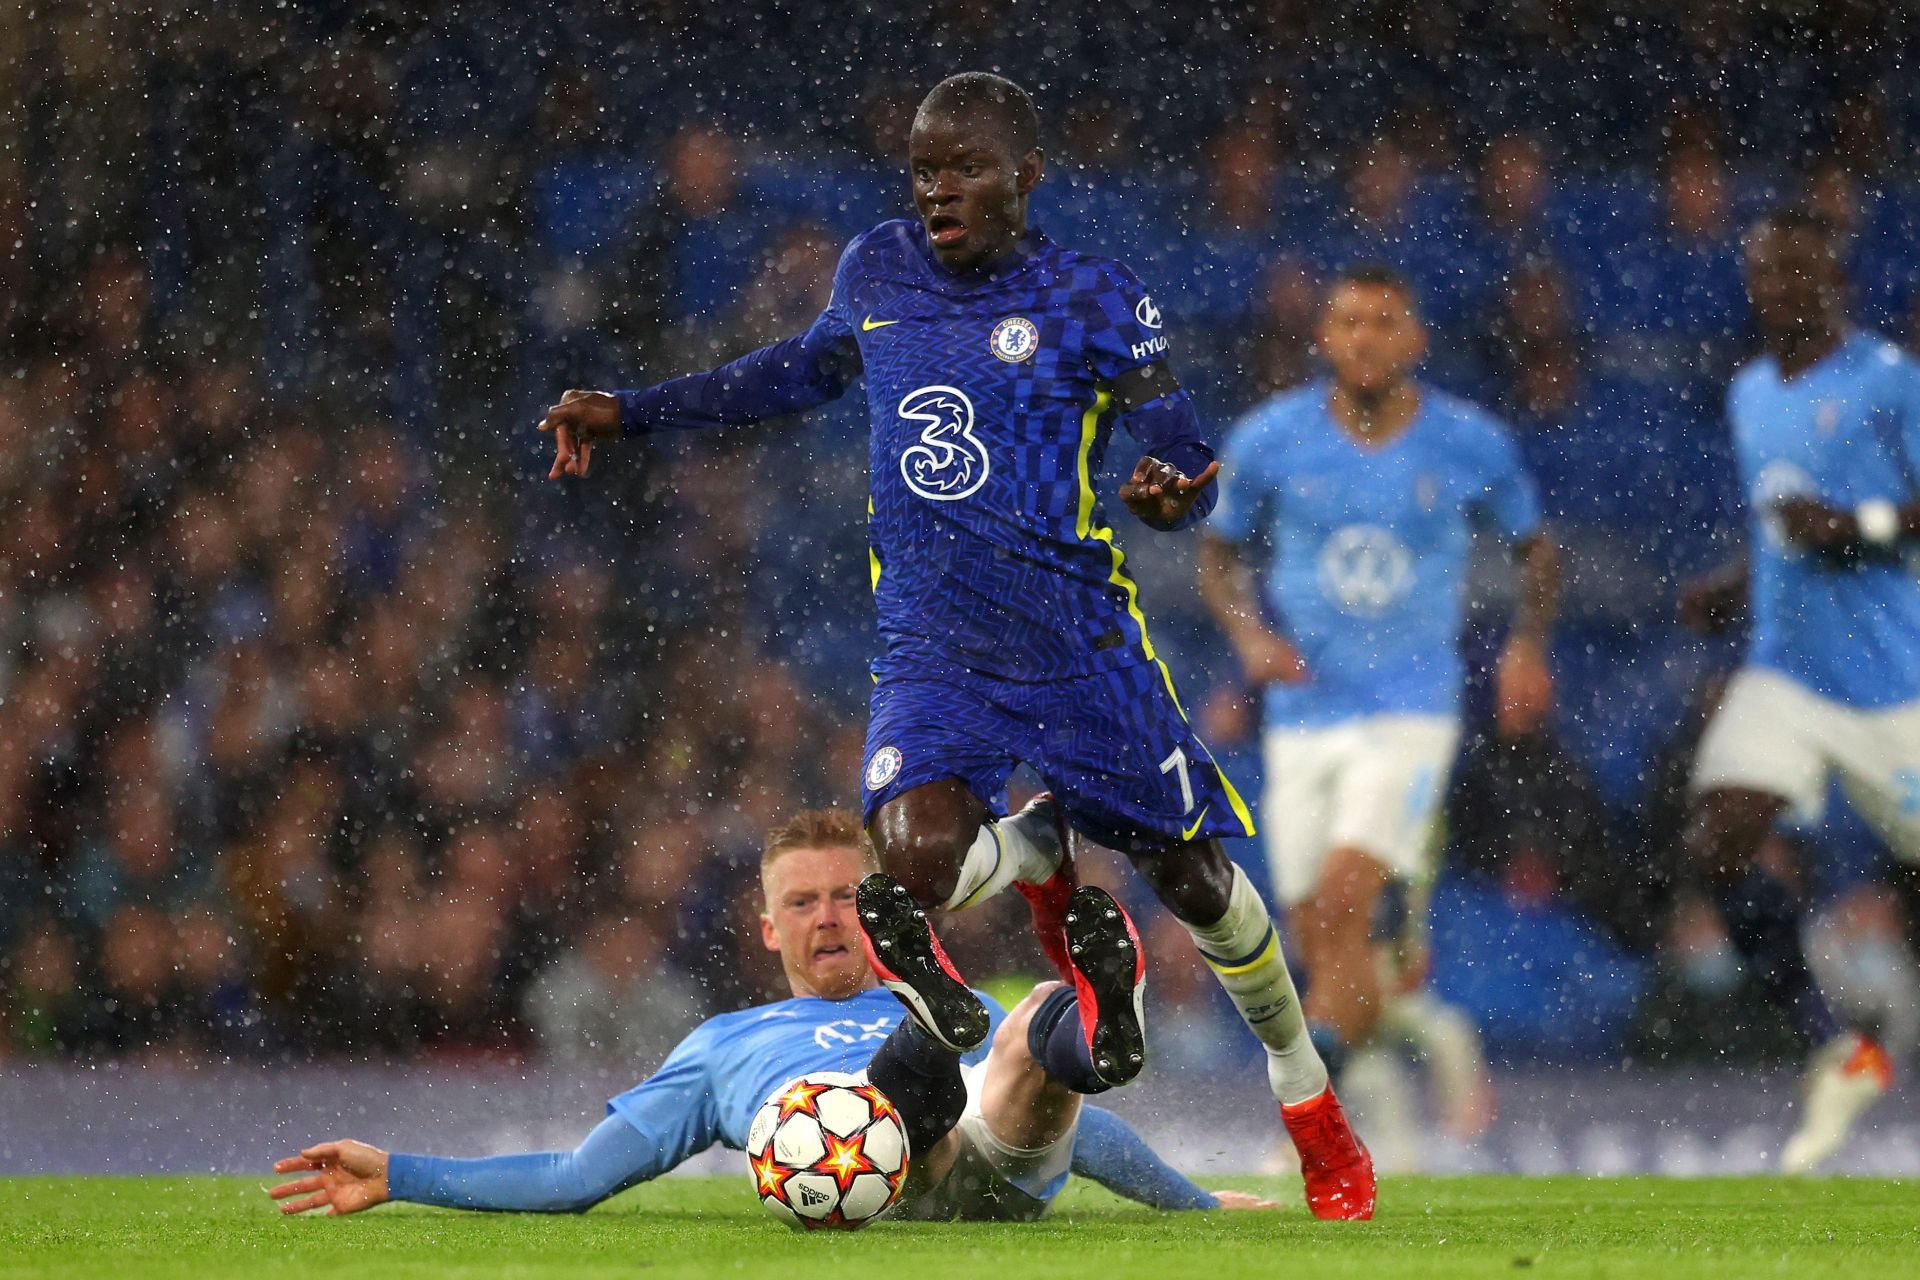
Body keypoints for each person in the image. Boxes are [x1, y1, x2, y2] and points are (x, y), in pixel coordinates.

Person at [535, 72, 1372, 1218]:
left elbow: (1190, 468)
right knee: (910, 857)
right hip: (934, 649)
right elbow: (792, 371)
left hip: (1079, 645)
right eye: (924, 170)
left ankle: (1305, 1092)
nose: (938, 191)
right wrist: (631, 410)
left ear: (1027, 176)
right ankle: (1021, 871)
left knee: (1197, 881)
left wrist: (1170, 496)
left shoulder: (1092, 296)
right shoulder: (876, 271)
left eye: (965, 168)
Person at [268, 810, 1272, 1221]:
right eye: (804, 901)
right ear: (764, 926)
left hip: (992, 1154)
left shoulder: (875, 996)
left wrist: (1198, 1205)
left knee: (1039, 1012)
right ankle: (941, 1036)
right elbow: (577, 1176)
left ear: (883, 911)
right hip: (864, 1180)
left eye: (851, 897)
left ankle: (1090, 1029)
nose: (829, 916)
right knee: (956, 1046)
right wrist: (397, 1173)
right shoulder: (720, 1047)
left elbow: (1085, 1133)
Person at [1198, 265, 1558, 1096]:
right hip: (1303, 709)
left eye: (1384, 322)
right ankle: (1384, 1068)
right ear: (1324, 337)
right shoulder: (1268, 440)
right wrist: (1250, 638)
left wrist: (1526, 647)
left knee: (1344, 895)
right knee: (1313, 931)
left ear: (1416, 339)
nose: (1365, 337)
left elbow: (1535, 549)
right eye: (1350, 321)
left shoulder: (1468, 440)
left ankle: (1312, 1105)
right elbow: (1218, 553)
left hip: (1411, 706)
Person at [1678, 206, 1916, 1172]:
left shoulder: (1889, 381)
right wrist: (1734, 588)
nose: (1776, 289)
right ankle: (1839, 1038)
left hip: (1891, 686)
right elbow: (1783, 526)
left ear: (1833, 281)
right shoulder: (1748, 394)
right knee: (1716, 843)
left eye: (1794, 272)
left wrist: (1857, 524)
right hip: (1784, 671)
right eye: (1763, 274)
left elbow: (1850, 521)